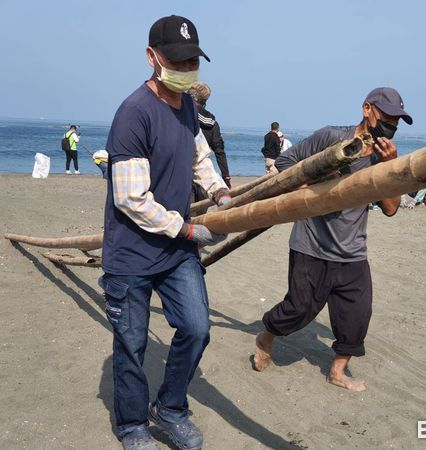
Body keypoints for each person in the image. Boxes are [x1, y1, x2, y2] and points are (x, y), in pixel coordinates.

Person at [98, 15, 230, 450]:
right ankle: (132, 426)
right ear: (152, 57)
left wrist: (219, 191)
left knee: (196, 328)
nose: (186, 67)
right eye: (177, 60)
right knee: (132, 346)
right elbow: (131, 199)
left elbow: (199, 156)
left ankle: (170, 408)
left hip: (174, 254)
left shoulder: (189, 105)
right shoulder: (134, 113)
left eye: (193, 60)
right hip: (132, 256)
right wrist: (189, 229)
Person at [252, 87, 412, 392]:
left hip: (352, 248)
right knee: (299, 308)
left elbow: (391, 208)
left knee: (356, 314)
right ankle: (266, 337)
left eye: (396, 121)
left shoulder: (384, 156)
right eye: (386, 117)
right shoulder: (331, 137)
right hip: (312, 243)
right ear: (367, 109)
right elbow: (286, 164)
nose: (391, 125)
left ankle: (338, 371)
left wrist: (389, 167)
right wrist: (315, 185)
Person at [187, 82, 232, 190]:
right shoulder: (212, 124)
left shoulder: (180, 115)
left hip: (179, 174)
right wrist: (226, 176)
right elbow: (219, 152)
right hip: (202, 177)